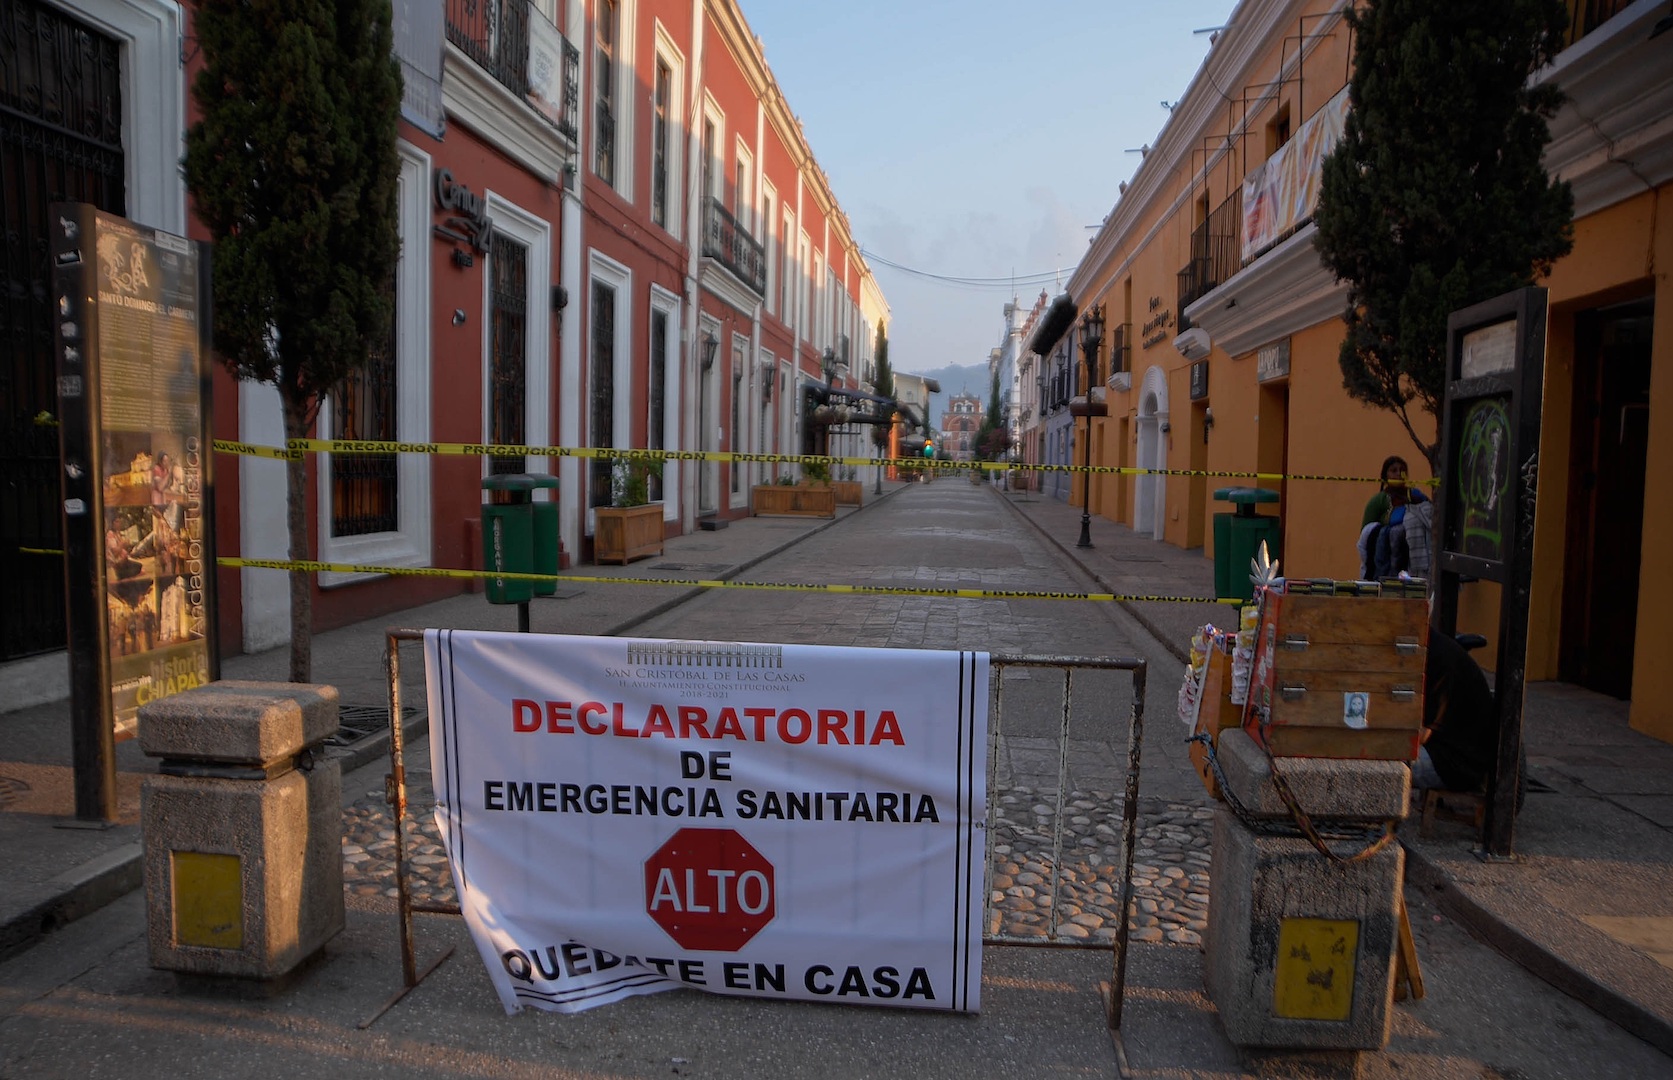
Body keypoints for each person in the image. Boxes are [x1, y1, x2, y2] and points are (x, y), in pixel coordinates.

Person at [1415, 630, 1499, 794]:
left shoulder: (1437, 659)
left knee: (1380, 766)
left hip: (1454, 764)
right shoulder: (1429, 644)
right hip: (1444, 751)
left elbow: (1422, 735)